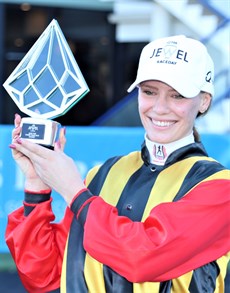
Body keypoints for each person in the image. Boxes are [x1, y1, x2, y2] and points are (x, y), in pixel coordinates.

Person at [6, 35, 230, 293]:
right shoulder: (102, 174)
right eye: (149, 92)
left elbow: (143, 258)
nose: (159, 108)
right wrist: (37, 185)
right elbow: (43, 275)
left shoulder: (219, 187)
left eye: (177, 96)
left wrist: (74, 192)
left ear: (204, 101)